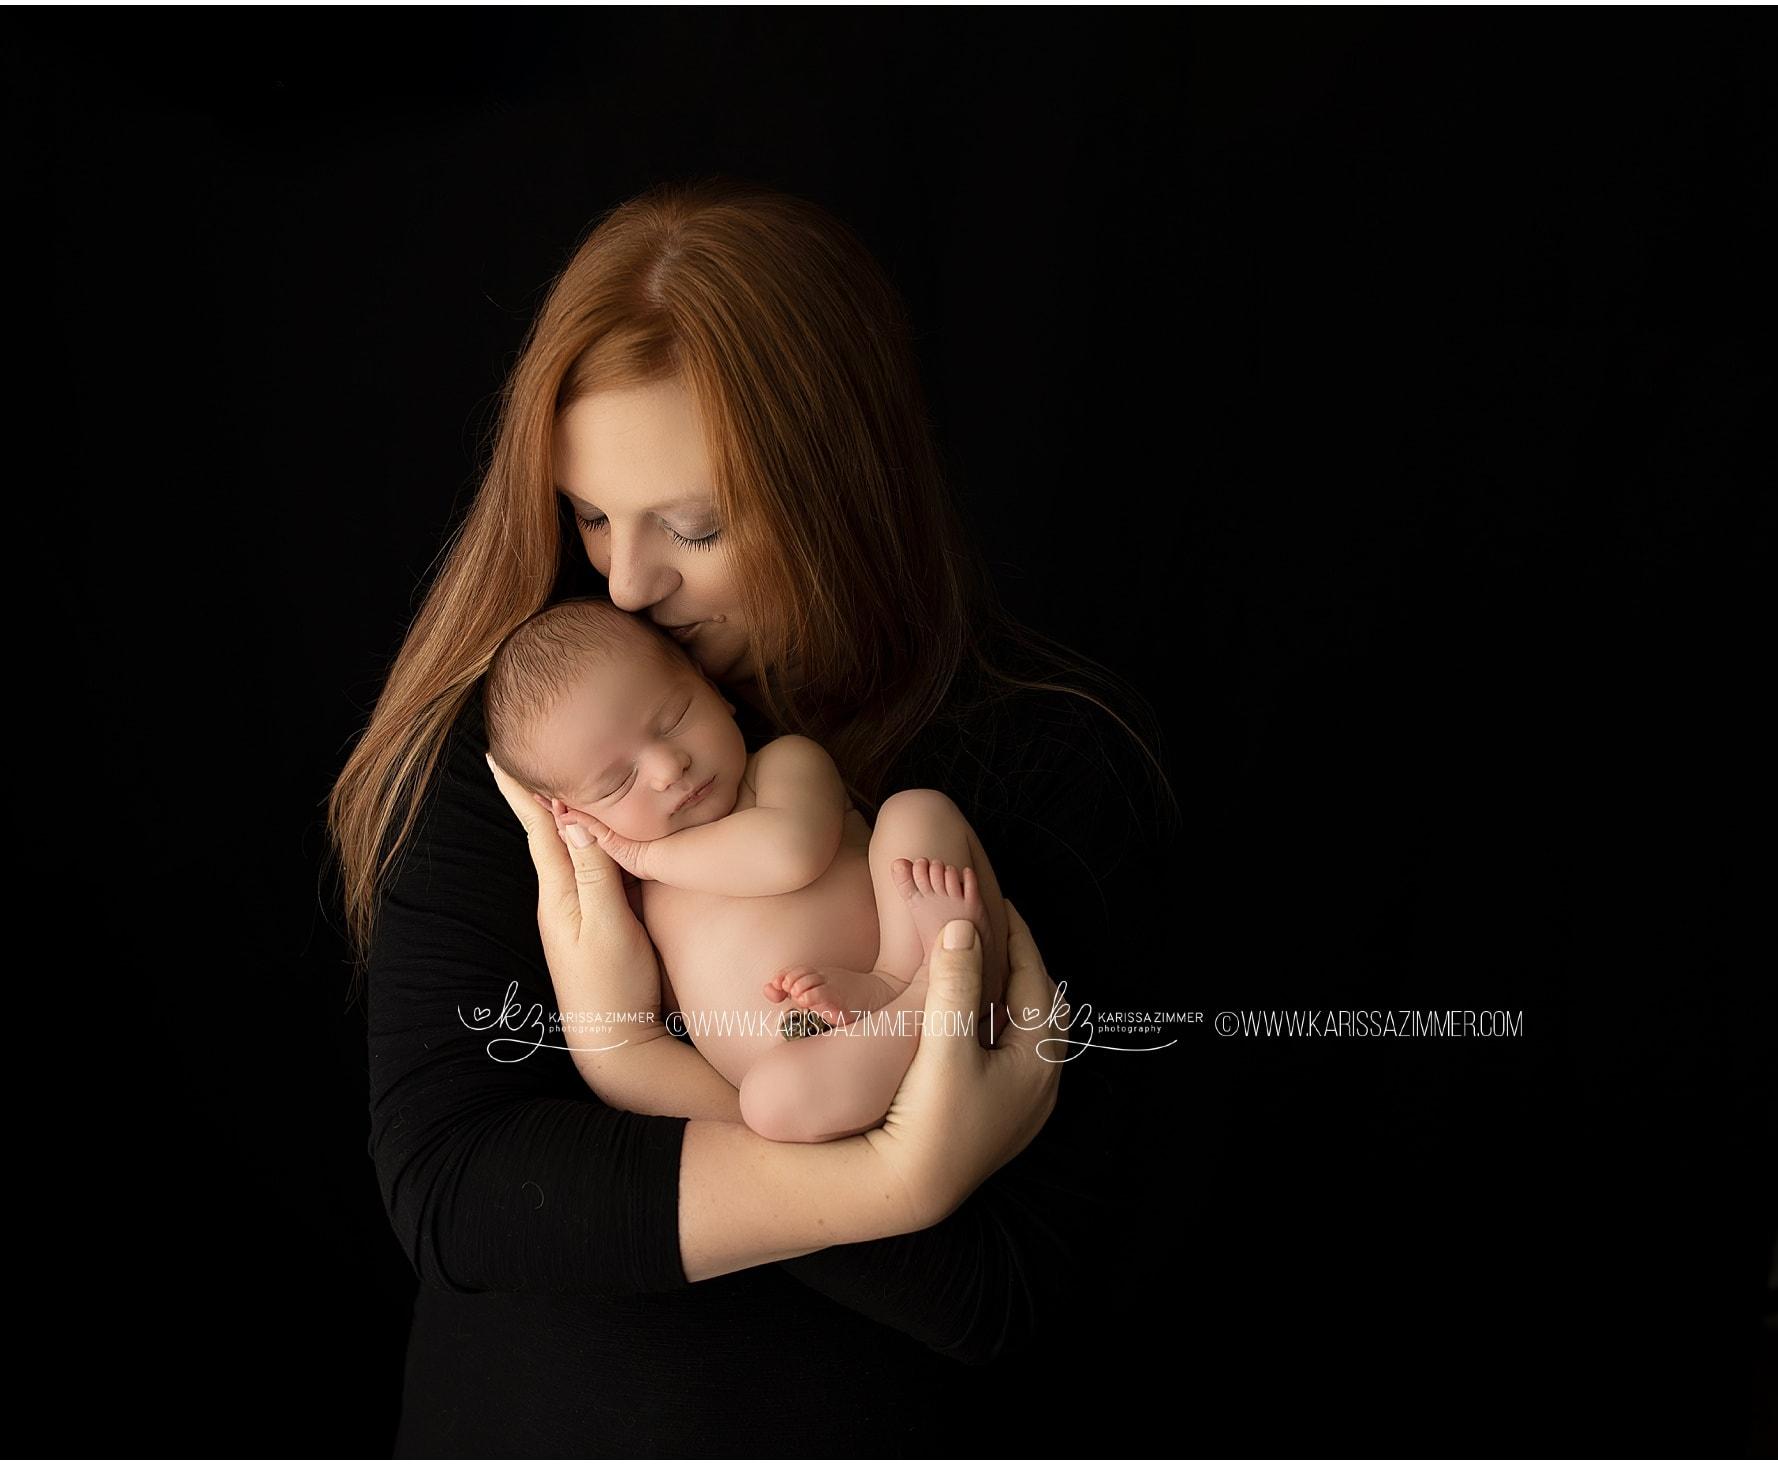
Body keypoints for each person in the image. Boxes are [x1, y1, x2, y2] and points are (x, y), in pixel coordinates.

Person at [327, 179, 1173, 1456]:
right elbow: (462, 1188)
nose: (625, 578)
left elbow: (993, 1290)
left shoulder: (1045, 758)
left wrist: (654, 1092)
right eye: (591, 514)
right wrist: (898, 1172)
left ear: (845, 486)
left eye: (697, 523)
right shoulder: (548, 729)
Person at [478, 595, 1015, 1144]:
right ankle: (930, 1004)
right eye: (615, 784)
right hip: (834, 1074)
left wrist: (644, 855)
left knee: (917, 812)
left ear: (712, 689)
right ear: (572, 813)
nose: (668, 768)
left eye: (674, 719)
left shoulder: (782, 767)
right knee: (766, 1101)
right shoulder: (627, 901)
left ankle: (921, 987)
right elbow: (644, 1024)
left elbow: (789, 855)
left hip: (908, 966)